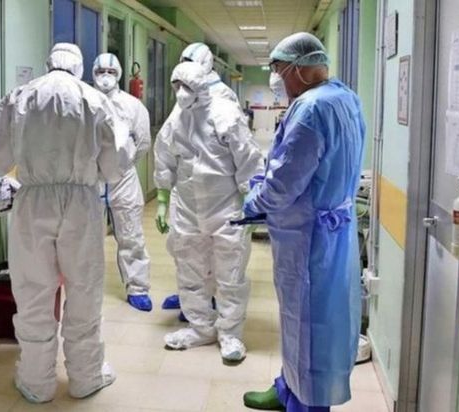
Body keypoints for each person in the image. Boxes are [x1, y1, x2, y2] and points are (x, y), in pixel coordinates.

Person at [0, 43, 133, 404]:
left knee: (33, 290)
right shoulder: (95, 100)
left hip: (33, 202)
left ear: (48, 64)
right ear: (79, 67)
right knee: (84, 288)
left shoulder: (20, 97)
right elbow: (116, 164)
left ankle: (37, 381)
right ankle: (85, 377)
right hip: (80, 202)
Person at [239, 33, 365, 411]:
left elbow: (285, 182)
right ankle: (287, 388)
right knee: (316, 321)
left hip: (308, 238)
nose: (276, 78)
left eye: (279, 69)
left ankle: (306, 402)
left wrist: (253, 202)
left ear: (301, 68)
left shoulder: (310, 109)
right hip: (333, 232)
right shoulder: (344, 97)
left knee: (307, 324)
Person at [154, 61, 264, 362]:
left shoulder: (225, 114)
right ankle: (200, 327)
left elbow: (249, 160)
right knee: (189, 270)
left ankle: (230, 333)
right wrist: (162, 200)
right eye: (176, 86)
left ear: (201, 86)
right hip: (188, 208)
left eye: (187, 86)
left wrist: (252, 203)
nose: (181, 92)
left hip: (226, 208)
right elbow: (164, 157)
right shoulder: (177, 118)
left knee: (230, 275)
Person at [160, 42, 245, 314]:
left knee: (220, 254)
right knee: (185, 248)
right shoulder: (182, 99)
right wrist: (163, 195)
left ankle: (211, 299)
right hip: (188, 189)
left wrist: (248, 194)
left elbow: (240, 148)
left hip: (219, 192)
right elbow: (167, 143)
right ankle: (193, 300)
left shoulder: (223, 99)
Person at [92, 53, 153, 312]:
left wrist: (122, 163)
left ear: (118, 74)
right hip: (91, 179)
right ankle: (86, 288)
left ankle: (138, 287)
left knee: (131, 235)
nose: (105, 77)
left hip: (124, 179)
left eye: (111, 72)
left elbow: (143, 142)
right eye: (100, 71)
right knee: (86, 237)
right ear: (93, 73)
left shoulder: (133, 106)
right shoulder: (84, 101)